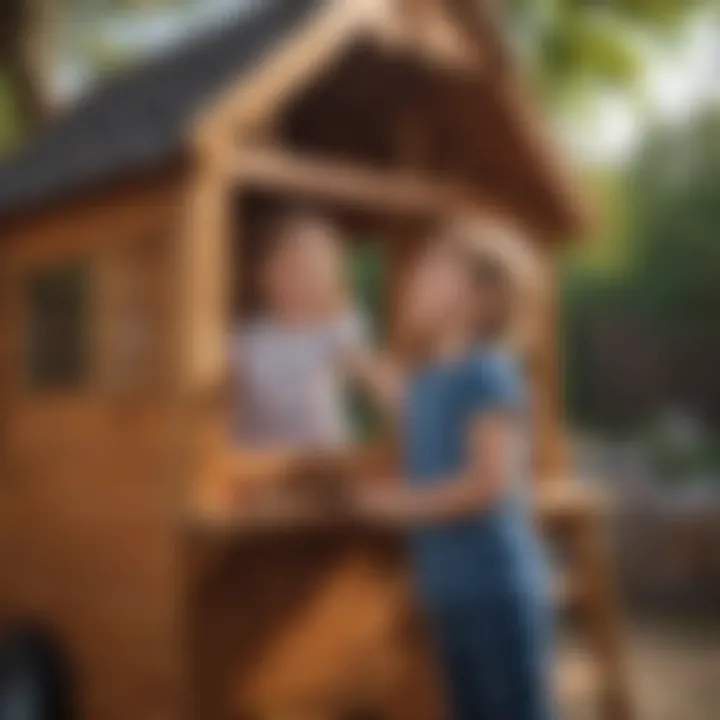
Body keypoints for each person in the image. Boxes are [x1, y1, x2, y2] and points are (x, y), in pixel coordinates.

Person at [351, 218, 555, 720]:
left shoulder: (487, 372)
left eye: (431, 274)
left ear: (482, 297)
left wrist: (395, 505)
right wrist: (346, 349)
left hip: (495, 591)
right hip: (449, 593)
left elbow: (489, 484)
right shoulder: (430, 378)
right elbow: (403, 399)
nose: (413, 282)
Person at [230, 208, 364, 448]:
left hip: (326, 463)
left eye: (322, 267)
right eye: (299, 267)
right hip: (261, 468)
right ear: (267, 273)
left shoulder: (338, 328)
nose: (312, 278)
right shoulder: (245, 341)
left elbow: (372, 375)